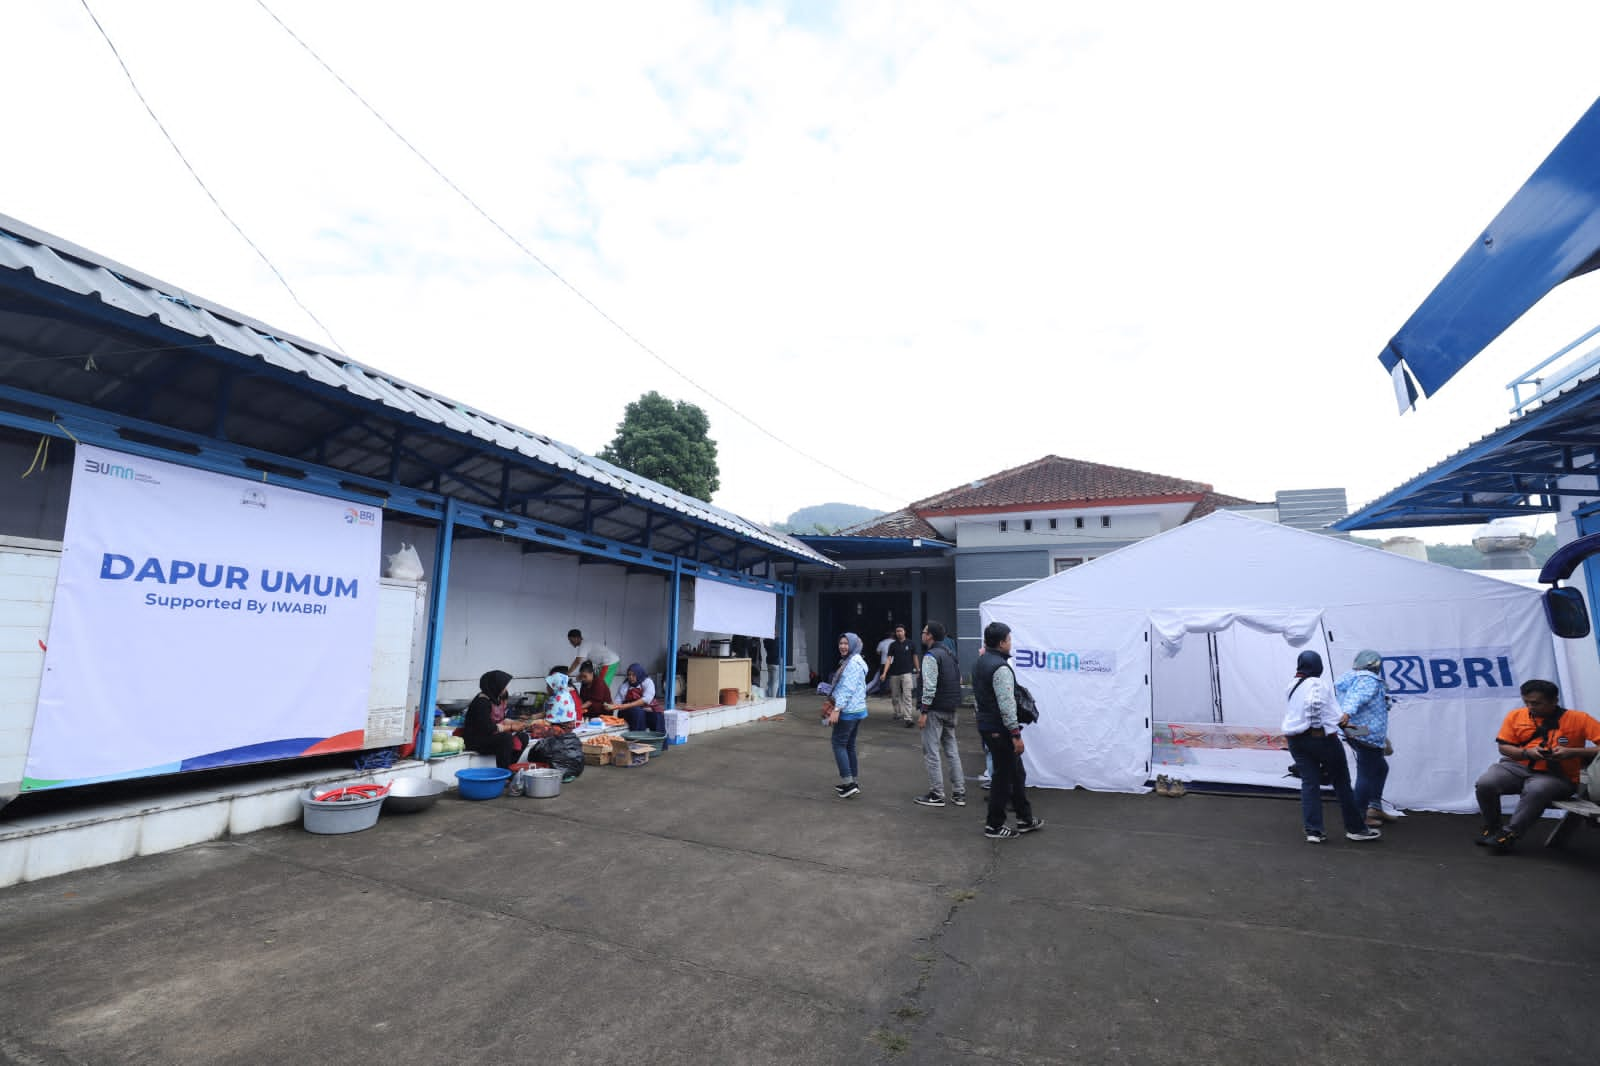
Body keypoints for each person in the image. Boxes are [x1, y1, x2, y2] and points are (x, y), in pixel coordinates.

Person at [1473, 679, 1600, 852]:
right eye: (1526, 702)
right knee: (1486, 783)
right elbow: (1504, 747)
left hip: (1557, 775)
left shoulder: (1579, 719)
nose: (1530, 707)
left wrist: (1573, 752)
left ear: (1554, 701)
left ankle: (1509, 834)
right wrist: (1527, 753)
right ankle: (1493, 828)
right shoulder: (1515, 716)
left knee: (1537, 789)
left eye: (1536, 703)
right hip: (1516, 767)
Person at [1284, 650, 1381, 844]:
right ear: (1317, 666)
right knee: (1342, 783)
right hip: (1320, 740)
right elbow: (1315, 704)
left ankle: (1314, 831)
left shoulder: (1293, 684)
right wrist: (1318, 728)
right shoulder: (1316, 683)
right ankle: (1356, 829)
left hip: (1296, 740)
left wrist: (1336, 722)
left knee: (1309, 784)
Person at [973, 621, 1042, 838]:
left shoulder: (981, 662)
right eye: (1009, 639)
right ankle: (994, 825)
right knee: (1003, 777)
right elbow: (1006, 704)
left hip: (988, 725)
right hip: (999, 729)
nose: (1011, 643)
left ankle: (1025, 818)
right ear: (1002, 642)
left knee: (1015, 772)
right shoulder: (1000, 668)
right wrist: (1015, 734)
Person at [1336, 649, 1395, 828]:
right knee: (1367, 773)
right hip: (1367, 733)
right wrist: (1346, 713)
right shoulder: (1368, 679)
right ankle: (1359, 817)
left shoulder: (1349, 678)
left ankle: (1374, 807)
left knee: (1380, 767)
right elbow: (1357, 697)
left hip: (1356, 732)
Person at [914, 621, 965, 808]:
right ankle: (959, 792)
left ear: (930, 636)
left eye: (924, 631)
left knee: (931, 752)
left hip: (934, 711)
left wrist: (924, 711)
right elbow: (958, 679)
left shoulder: (930, 657)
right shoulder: (950, 655)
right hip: (951, 709)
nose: (922, 634)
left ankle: (937, 793)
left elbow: (929, 686)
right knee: (952, 751)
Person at [821, 632, 868, 798]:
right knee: (849, 745)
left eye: (846, 643)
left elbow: (847, 689)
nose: (842, 646)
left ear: (853, 645)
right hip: (857, 710)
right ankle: (852, 781)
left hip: (848, 711)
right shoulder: (855, 660)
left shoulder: (853, 663)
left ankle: (848, 783)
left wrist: (836, 709)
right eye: (841, 643)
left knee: (838, 744)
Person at [524, 669, 585, 781]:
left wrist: (528, 724)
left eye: (549, 686)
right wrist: (532, 717)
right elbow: (548, 713)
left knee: (537, 730)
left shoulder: (558, 699)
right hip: (565, 728)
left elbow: (548, 721)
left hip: (561, 729)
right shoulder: (564, 694)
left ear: (555, 686)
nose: (547, 688)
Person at [461, 668, 524, 769]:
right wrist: (510, 727)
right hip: (476, 740)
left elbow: (499, 721)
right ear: (495, 686)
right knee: (506, 738)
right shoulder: (482, 702)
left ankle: (510, 767)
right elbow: (488, 728)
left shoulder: (493, 699)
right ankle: (503, 772)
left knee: (523, 737)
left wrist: (516, 724)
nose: (505, 689)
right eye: (503, 687)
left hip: (489, 736)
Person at [607, 662, 664, 733]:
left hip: (645, 709)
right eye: (629, 675)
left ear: (639, 674)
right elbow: (617, 702)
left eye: (633, 675)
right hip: (628, 712)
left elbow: (646, 699)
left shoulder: (647, 682)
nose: (630, 677)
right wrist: (611, 706)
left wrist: (628, 705)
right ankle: (638, 738)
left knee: (657, 716)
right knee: (638, 712)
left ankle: (658, 741)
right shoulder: (624, 686)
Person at [880, 624, 918, 727]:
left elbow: (915, 657)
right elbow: (888, 659)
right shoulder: (893, 645)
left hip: (907, 673)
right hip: (894, 673)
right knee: (895, 696)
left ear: (904, 632)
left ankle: (908, 718)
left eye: (901, 631)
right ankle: (897, 712)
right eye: (897, 631)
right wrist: (884, 673)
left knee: (907, 695)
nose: (899, 633)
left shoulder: (911, 644)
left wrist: (918, 670)